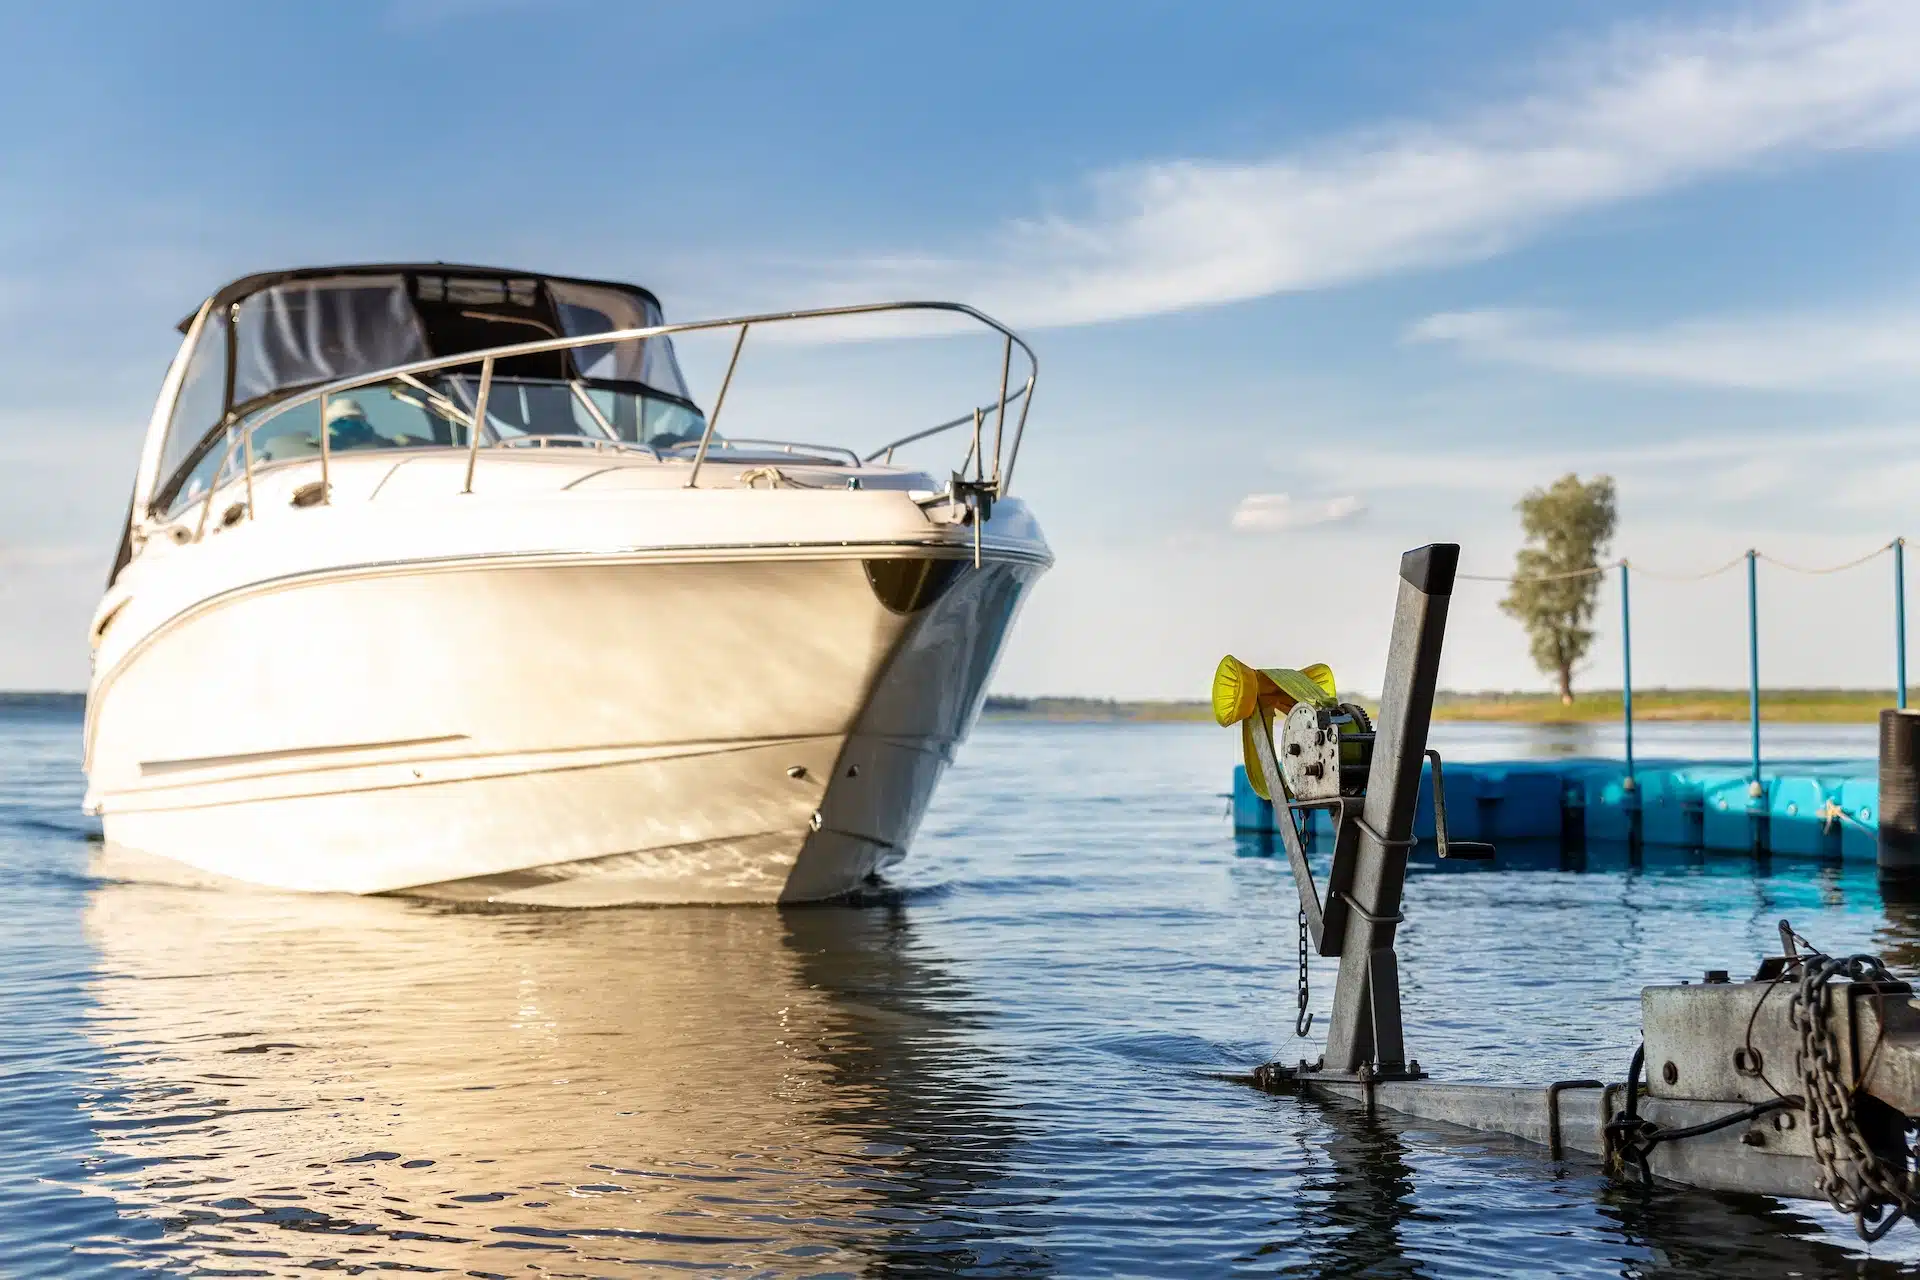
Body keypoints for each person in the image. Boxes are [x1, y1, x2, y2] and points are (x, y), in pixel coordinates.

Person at [323, 397, 388, 451]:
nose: (352, 422)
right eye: (346, 418)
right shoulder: (320, 448)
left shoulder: (378, 443)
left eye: (357, 418)